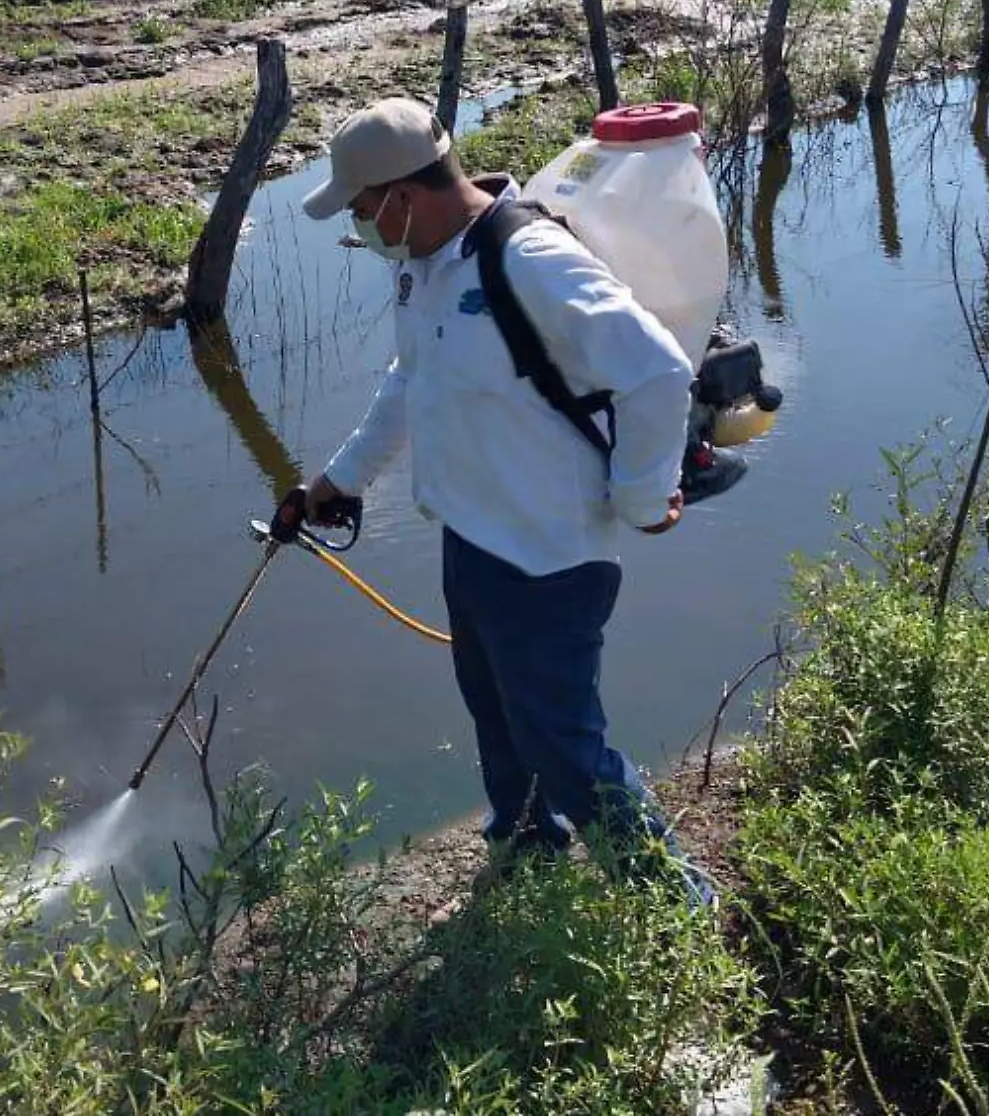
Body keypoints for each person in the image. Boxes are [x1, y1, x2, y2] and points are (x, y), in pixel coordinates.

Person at [300, 96, 707, 902]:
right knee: (497, 718)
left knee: (563, 745)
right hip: (473, 541)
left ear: (401, 197)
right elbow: (410, 382)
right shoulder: (424, 268)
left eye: (361, 211)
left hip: (550, 557)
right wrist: (339, 480)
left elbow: (658, 372)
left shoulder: (531, 261)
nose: (362, 230)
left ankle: (677, 901)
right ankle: (526, 852)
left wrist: (639, 497)